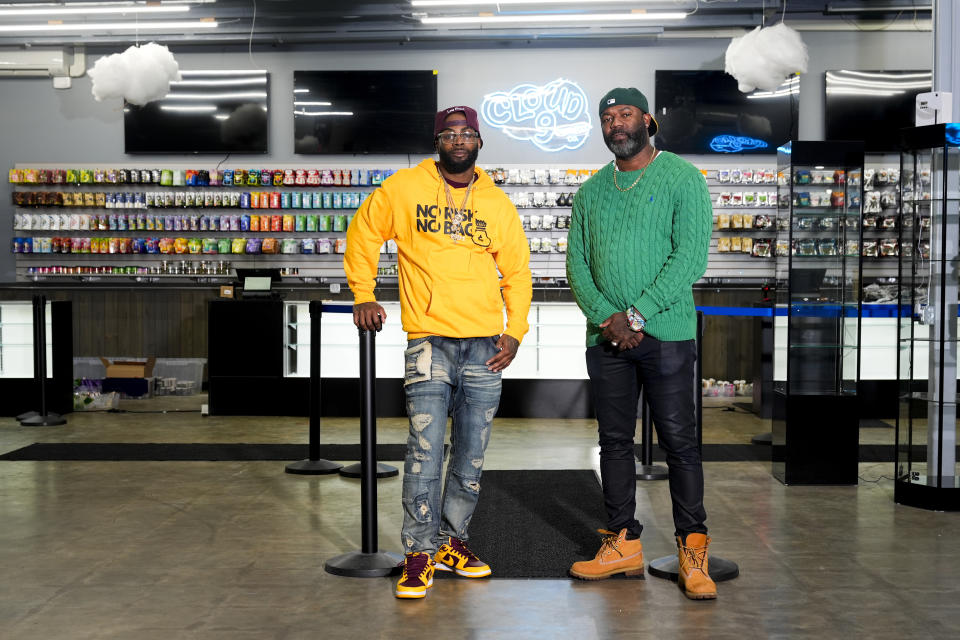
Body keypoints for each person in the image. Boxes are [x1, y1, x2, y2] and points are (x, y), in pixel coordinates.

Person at [345, 105, 532, 600]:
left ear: (479, 142)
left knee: (471, 454)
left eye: (466, 133)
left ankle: (453, 542)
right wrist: (363, 293)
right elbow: (363, 234)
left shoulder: (496, 201)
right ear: (437, 141)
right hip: (428, 340)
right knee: (423, 452)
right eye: (449, 133)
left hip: (487, 346)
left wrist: (515, 333)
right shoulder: (403, 188)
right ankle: (418, 551)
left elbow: (517, 272)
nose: (458, 140)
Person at [565, 88, 717, 600]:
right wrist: (607, 319)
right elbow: (577, 268)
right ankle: (623, 543)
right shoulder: (590, 193)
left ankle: (692, 553)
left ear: (647, 120)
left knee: (679, 444)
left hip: (667, 334)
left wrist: (636, 314)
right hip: (605, 337)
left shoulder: (682, 178)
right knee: (613, 443)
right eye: (606, 118)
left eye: (624, 114)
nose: (615, 125)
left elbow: (690, 256)